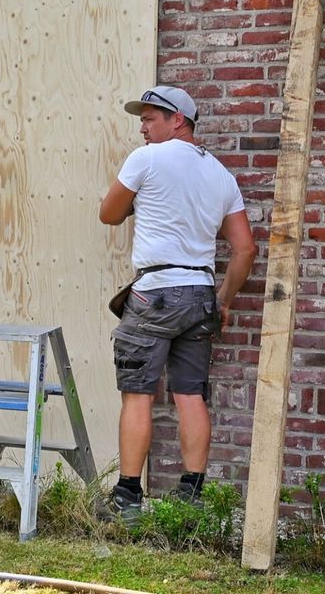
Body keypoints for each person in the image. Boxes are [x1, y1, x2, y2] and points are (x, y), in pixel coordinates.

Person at [97, 85, 256, 524]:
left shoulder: (146, 160)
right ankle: (191, 495)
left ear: (178, 121)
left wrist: (137, 201)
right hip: (201, 293)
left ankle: (128, 497)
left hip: (155, 291)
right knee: (190, 394)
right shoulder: (221, 175)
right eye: (143, 120)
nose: (144, 128)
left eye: (151, 118)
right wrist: (223, 300)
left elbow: (108, 214)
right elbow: (244, 250)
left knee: (138, 394)